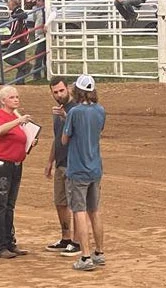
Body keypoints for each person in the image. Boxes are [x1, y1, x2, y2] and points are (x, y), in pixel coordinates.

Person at [0, 85, 38, 258]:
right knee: (1, 204)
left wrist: (29, 141)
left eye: (17, 97)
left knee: (8, 205)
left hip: (14, 163)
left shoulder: (12, 117)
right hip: (1, 164)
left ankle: (8, 242)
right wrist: (18, 121)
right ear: (3, 101)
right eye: (12, 97)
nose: (16, 99)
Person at [62, 74, 106, 271]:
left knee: (79, 211)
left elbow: (65, 139)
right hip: (95, 168)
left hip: (78, 169)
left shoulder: (75, 112)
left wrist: (66, 120)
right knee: (94, 211)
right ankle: (99, 252)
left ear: (76, 90)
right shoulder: (100, 110)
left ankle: (85, 256)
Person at [44, 76, 82, 257]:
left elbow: (79, 134)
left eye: (61, 90)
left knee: (75, 204)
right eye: (55, 92)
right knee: (60, 202)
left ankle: (77, 241)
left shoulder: (76, 109)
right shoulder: (57, 111)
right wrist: (49, 161)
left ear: (68, 89)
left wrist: (67, 118)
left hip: (73, 163)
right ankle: (66, 237)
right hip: (60, 163)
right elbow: (57, 137)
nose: (59, 94)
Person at [4, 0, 32, 85]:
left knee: (7, 57)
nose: (7, 4)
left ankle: (25, 65)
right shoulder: (14, 12)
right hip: (19, 39)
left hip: (19, 39)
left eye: (9, 2)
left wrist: (15, 16)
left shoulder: (18, 11)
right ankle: (20, 82)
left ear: (13, 3)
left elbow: (24, 15)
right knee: (21, 60)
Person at [32, 0, 46, 81]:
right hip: (39, 35)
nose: (37, 2)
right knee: (39, 55)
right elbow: (35, 19)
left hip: (46, 35)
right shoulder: (36, 9)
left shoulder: (49, 9)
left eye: (39, 1)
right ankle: (37, 75)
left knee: (42, 56)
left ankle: (43, 74)